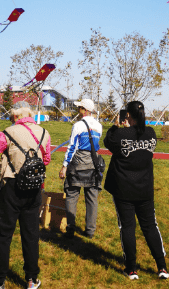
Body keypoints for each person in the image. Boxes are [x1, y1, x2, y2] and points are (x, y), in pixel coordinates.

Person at [0, 101, 51, 289]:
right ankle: (32, 279)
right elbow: (47, 159)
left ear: (16, 116)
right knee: (31, 234)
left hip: (12, 187)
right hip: (35, 189)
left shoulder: (7, 132)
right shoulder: (44, 133)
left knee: (3, 233)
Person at [104, 100, 169, 281]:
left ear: (128, 116)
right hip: (145, 188)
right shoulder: (151, 133)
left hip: (124, 189)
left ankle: (131, 268)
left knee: (127, 227)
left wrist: (116, 126)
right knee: (150, 226)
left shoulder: (120, 134)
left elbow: (108, 141)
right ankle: (161, 266)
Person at [59, 98, 102, 238]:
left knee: (71, 196)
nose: (78, 110)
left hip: (77, 164)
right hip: (93, 165)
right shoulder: (99, 126)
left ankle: (70, 228)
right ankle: (90, 231)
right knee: (92, 198)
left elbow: (72, 147)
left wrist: (64, 166)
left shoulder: (78, 125)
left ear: (85, 110)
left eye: (80, 108)